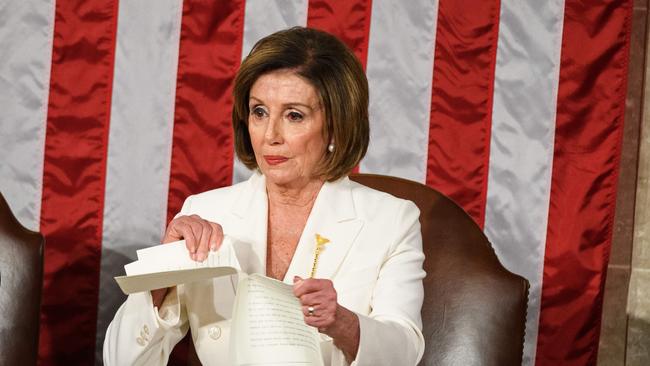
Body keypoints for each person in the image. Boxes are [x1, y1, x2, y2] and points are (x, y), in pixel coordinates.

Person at [104, 26, 425, 366]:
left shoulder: (391, 220)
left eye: (294, 115)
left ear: (336, 125)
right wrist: (162, 274)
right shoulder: (206, 210)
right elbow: (121, 360)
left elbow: (405, 351)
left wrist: (342, 323)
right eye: (259, 112)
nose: (270, 135)